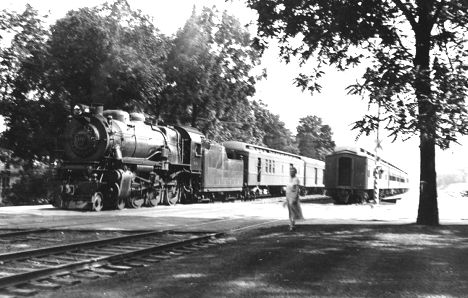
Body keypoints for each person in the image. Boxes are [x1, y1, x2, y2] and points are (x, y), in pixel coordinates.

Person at [285, 166, 304, 231]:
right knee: (290, 212)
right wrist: (286, 199)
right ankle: (291, 224)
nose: (291, 173)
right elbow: (288, 189)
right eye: (290, 172)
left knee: (293, 212)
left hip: (293, 197)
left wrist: (294, 198)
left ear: (295, 173)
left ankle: (292, 226)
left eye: (292, 172)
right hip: (288, 196)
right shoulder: (289, 179)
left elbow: (296, 189)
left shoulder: (296, 179)